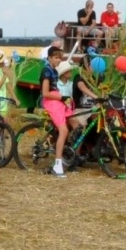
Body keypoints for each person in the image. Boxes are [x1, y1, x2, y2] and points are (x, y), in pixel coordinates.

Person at [38, 46, 72, 177]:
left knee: (73, 120)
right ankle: (57, 165)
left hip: (58, 100)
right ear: (49, 58)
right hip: (51, 102)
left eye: (60, 58)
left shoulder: (54, 70)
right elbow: (46, 93)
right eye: (56, 58)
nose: (59, 60)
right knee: (64, 130)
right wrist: (61, 97)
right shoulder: (46, 71)